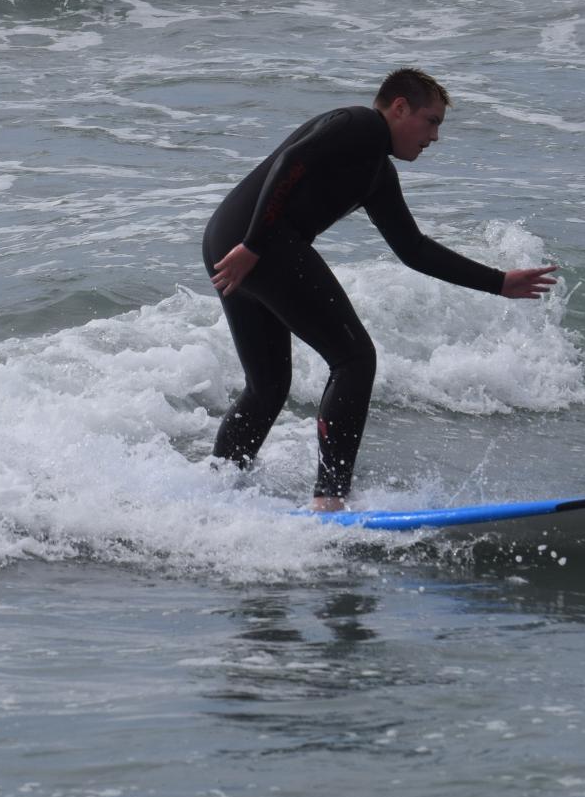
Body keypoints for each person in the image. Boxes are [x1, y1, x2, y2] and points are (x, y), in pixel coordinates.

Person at [201, 68, 559, 511]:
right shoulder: (359, 125)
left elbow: (413, 249)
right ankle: (329, 500)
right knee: (354, 358)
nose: (435, 137)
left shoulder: (376, 173)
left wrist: (498, 282)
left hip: (230, 239)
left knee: (269, 386)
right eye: (431, 121)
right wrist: (254, 245)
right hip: (257, 243)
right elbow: (290, 162)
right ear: (399, 108)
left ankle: (214, 493)